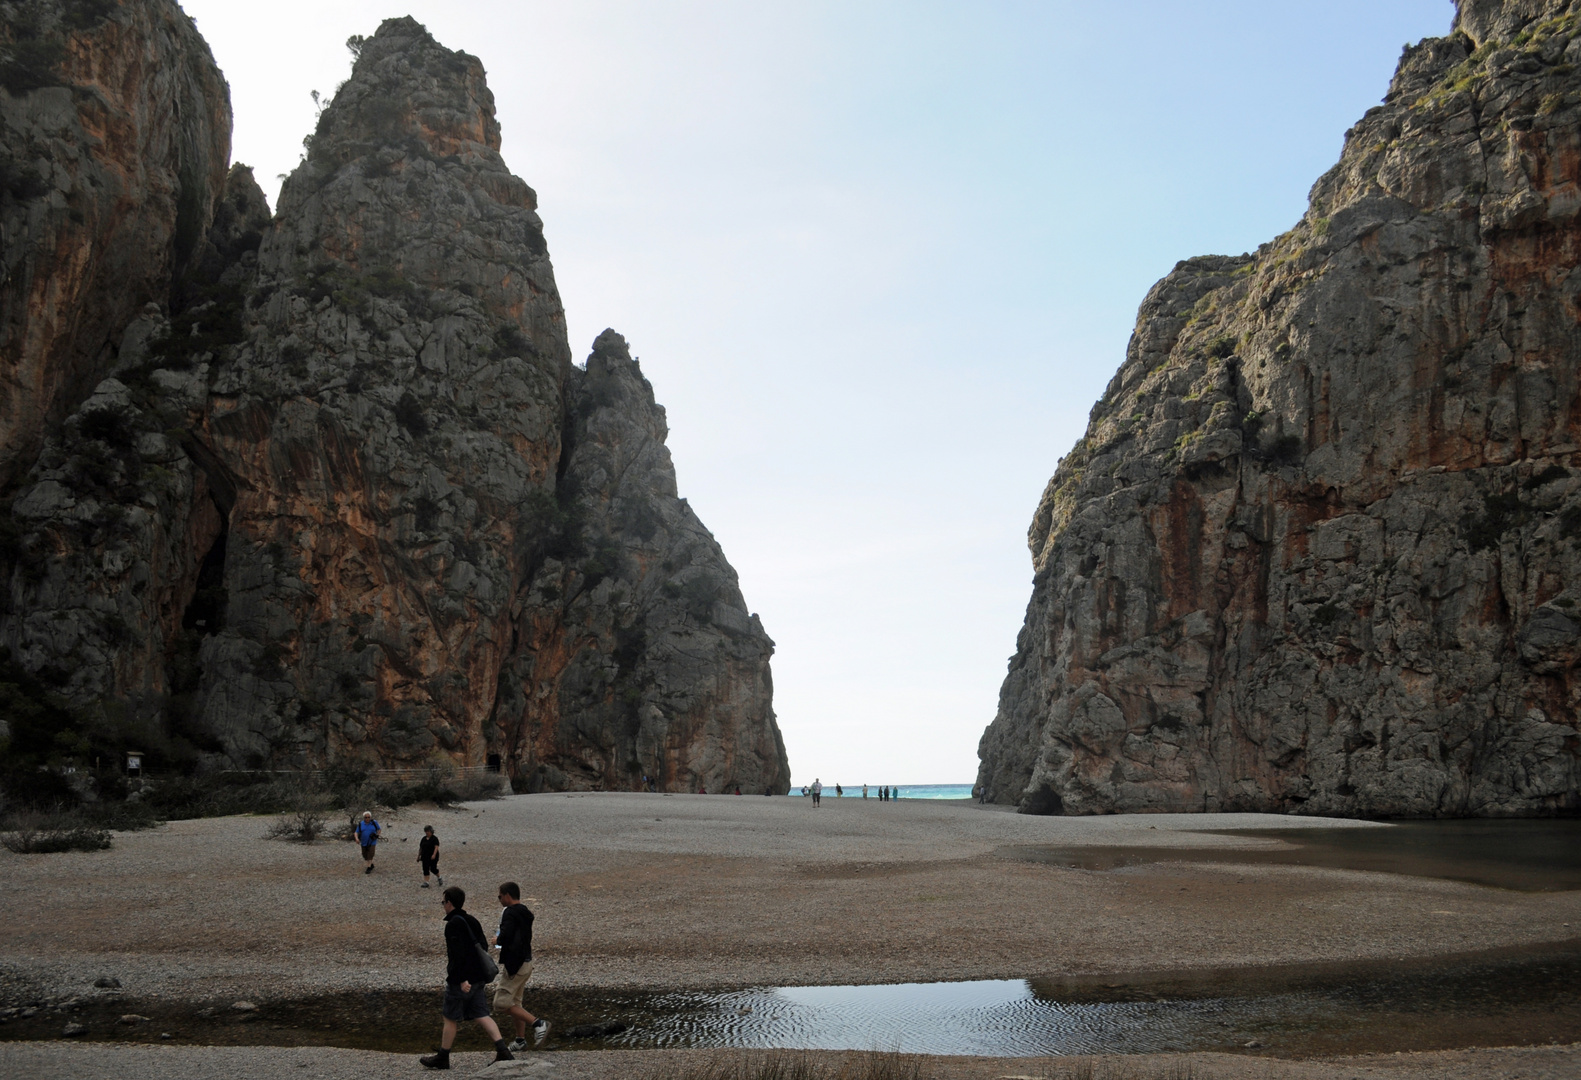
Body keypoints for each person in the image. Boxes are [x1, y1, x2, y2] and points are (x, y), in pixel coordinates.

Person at [420, 886, 514, 1069]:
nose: (443, 905)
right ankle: (503, 1050)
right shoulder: (472, 920)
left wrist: (462, 979)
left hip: (461, 981)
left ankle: (443, 1057)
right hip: (478, 978)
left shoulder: (453, 924)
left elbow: (457, 954)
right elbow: (483, 946)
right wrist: (473, 975)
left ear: (449, 903)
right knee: (482, 1014)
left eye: (443, 902)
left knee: (450, 1017)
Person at [492, 881, 549, 1050]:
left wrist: (497, 940)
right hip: (526, 962)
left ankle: (539, 1024)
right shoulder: (525, 911)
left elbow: (506, 935)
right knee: (516, 1002)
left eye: (500, 896)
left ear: (507, 895)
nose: (499, 900)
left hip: (515, 965)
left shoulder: (509, 912)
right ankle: (520, 1040)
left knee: (500, 1003)